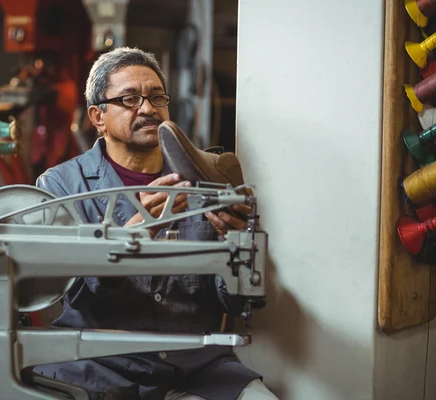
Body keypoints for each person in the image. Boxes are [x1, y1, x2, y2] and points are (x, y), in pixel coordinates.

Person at [33, 47, 277, 400]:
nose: (147, 109)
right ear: (97, 116)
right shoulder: (63, 186)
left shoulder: (203, 178)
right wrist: (129, 237)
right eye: (129, 99)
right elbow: (73, 295)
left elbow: (237, 304)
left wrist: (238, 250)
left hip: (196, 366)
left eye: (156, 97)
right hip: (102, 366)